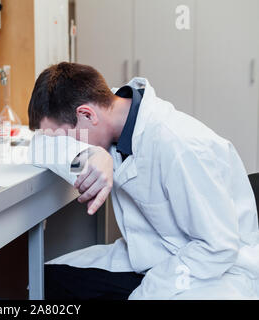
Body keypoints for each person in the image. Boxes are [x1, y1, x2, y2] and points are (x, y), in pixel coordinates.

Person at [27, 62, 259, 299]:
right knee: (45, 280)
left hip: (211, 273)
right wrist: (89, 155)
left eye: (67, 137)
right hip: (152, 255)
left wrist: (146, 293)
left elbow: (218, 248)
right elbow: (40, 146)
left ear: (87, 115)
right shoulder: (113, 112)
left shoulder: (180, 144)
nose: (68, 143)